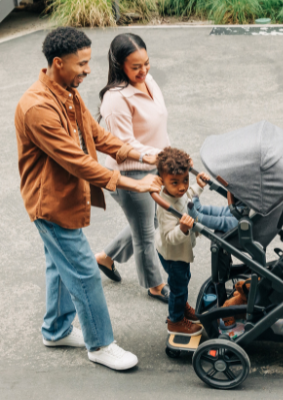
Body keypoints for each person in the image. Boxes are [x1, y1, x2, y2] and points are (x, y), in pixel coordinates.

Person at [15, 27, 161, 371]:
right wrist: (130, 183)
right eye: (81, 63)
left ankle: (55, 329)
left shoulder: (68, 92)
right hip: (50, 206)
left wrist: (143, 155)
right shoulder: (37, 107)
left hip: (65, 200)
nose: (88, 69)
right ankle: (100, 344)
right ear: (58, 63)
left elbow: (98, 137)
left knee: (58, 266)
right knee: (83, 273)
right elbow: (76, 160)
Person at [93, 33, 171, 303]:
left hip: (156, 164)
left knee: (148, 222)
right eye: (135, 67)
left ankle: (105, 257)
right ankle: (155, 285)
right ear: (119, 66)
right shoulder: (115, 100)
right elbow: (123, 145)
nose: (144, 70)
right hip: (130, 172)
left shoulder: (148, 81)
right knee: (146, 233)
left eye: (146, 63)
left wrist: (169, 156)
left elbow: (159, 124)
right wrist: (159, 156)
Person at [153, 147, 216, 336]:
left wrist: (198, 186)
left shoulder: (179, 192)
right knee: (179, 286)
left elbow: (188, 195)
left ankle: (180, 305)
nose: (182, 187)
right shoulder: (165, 207)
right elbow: (169, 238)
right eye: (175, 182)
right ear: (162, 181)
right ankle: (175, 320)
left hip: (181, 252)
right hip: (173, 254)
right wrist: (182, 229)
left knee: (183, 280)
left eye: (185, 180)